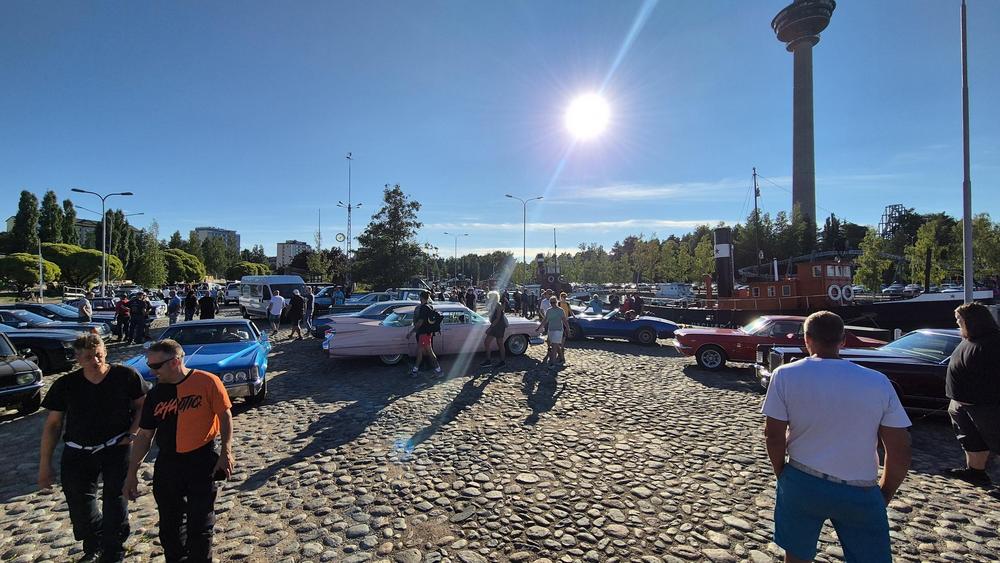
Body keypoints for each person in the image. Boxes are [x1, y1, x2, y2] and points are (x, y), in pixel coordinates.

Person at [761, 311, 911, 563]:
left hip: (802, 479)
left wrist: (781, 473)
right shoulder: (878, 382)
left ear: (807, 339)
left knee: (796, 557)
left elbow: (773, 435)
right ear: (843, 340)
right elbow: (900, 449)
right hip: (860, 488)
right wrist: (884, 493)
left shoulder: (785, 375)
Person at [38, 334, 148, 563]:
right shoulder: (66, 384)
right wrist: (44, 464)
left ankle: (114, 549)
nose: (95, 361)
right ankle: (93, 544)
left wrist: (132, 433)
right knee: (79, 503)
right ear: (78, 359)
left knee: (115, 500)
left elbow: (142, 406)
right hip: (78, 450)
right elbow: (53, 425)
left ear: (105, 352)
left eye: (98, 355)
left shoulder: (125, 375)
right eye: (88, 357)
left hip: (116, 447)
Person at [124, 339, 234, 563]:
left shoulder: (207, 381)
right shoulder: (155, 394)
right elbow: (145, 435)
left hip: (201, 460)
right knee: (170, 528)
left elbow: (225, 416)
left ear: (174, 362)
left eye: (156, 366)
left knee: (200, 525)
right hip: (168, 464)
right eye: (149, 365)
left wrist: (226, 451)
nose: (151, 371)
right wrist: (132, 472)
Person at [942, 302, 1000, 488]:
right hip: (962, 402)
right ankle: (975, 472)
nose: (957, 323)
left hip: (986, 405)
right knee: (971, 440)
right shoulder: (969, 339)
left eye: (960, 320)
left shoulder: (993, 342)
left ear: (973, 320)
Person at [408, 290, 442, 377]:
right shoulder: (430, 306)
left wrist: (411, 332)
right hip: (427, 333)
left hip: (423, 333)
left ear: (421, 298)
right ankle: (415, 370)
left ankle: (438, 371)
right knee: (420, 352)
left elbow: (420, 322)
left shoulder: (423, 308)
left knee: (429, 352)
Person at [537, 295, 569, 369]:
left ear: (556, 302)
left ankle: (553, 363)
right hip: (551, 329)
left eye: (554, 302)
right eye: (551, 303)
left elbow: (565, 321)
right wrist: (539, 327)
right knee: (555, 345)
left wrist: (568, 330)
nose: (553, 304)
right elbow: (545, 320)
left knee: (554, 347)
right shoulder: (549, 310)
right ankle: (562, 358)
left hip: (558, 330)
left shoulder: (560, 310)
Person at [480, 291, 508, 368]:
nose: (489, 298)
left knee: (499, 343)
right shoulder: (493, 305)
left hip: (498, 326)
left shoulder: (497, 305)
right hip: (495, 325)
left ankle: (502, 361)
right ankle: (489, 360)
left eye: (490, 297)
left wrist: (490, 327)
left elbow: (498, 318)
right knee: (487, 342)